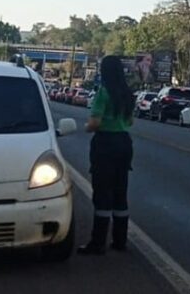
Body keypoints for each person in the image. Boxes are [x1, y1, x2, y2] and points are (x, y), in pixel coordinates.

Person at [78, 55, 135, 255]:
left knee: (102, 192)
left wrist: (86, 127)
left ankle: (98, 242)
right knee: (120, 192)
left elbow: (94, 123)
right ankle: (120, 240)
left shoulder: (104, 92)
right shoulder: (127, 93)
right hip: (124, 143)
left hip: (105, 144)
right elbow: (130, 122)